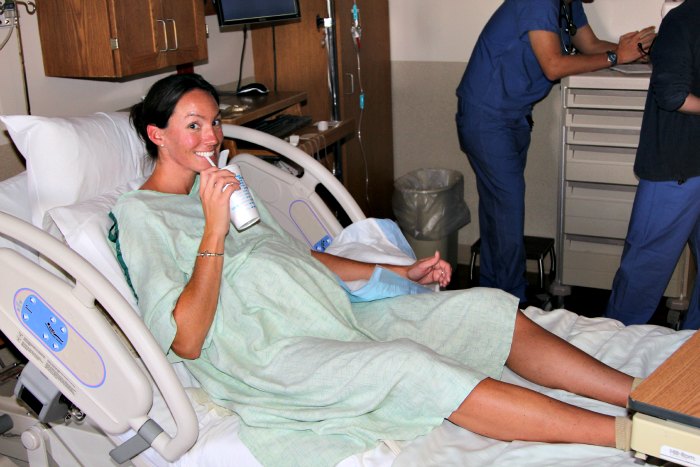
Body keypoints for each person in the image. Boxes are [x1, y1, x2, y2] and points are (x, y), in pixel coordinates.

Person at [112, 73, 639, 467]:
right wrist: (213, 230)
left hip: (331, 317)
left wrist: (397, 274)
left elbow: (298, 257)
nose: (211, 137)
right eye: (193, 125)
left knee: (483, 309)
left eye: (215, 122)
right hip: (269, 353)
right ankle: (630, 436)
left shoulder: (227, 186)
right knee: (410, 365)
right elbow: (186, 340)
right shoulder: (142, 215)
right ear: (157, 135)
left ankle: (640, 394)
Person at [456, 0, 655, 305]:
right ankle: (513, 304)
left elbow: (589, 45)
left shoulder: (567, 4)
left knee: (498, 212)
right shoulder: (538, 2)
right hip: (487, 117)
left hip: (512, 116)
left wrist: (634, 52)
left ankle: (493, 296)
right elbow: (553, 66)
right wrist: (617, 55)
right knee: (507, 212)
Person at [606, 0, 700, 330]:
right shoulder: (684, 21)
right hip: (682, 165)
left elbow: (675, 93)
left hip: (678, 166)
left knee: (642, 272)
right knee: (645, 271)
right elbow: (677, 87)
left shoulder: (682, 19)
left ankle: (612, 348)